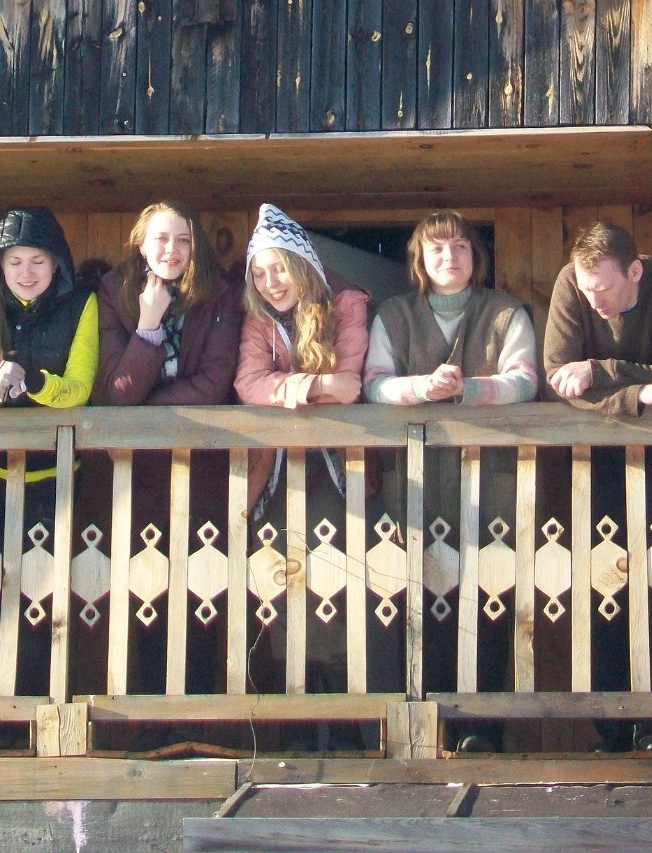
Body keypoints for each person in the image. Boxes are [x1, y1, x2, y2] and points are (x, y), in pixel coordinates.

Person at [364, 209, 538, 752]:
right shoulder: (394, 314)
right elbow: (374, 385)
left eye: (460, 246)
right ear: (420, 258)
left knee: (489, 597)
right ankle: (424, 732)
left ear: (475, 256)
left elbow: (526, 381)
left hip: (489, 480)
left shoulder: (506, 312)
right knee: (415, 595)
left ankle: (481, 731)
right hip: (414, 481)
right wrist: (423, 388)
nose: (449, 256)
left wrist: (470, 390)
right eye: (437, 248)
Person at [543, 220, 652, 752]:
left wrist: (599, 371)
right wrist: (639, 393)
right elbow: (559, 375)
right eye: (587, 289)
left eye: (605, 289)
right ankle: (609, 729)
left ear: (634, 271)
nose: (595, 301)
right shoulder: (572, 283)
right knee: (601, 582)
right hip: (592, 460)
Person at [0, 208, 97, 744]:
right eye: (15, 261)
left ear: (56, 264)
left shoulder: (81, 304)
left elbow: (80, 387)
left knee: (44, 603)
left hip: (54, 478)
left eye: (38, 261)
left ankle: (37, 723)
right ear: (0, 264)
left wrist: (35, 381)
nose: (27, 272)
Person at [94, 200, 244, 696]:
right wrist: (149, 323)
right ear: (141, 242)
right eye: (161, 238)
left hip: (203, 467)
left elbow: (214, 385)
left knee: (202, 589)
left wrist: (143, 404)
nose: (172, 250)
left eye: (183, 240)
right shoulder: (115, 291)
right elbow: (116, 392)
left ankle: (194, 715)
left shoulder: (219, 294)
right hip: (139, 473)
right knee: (147, 588)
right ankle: (150, 717)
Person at [233, 205, 369, 743]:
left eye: (279, 268)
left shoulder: (346, 304)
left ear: (302, 264)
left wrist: (290, 388)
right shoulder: (258, 319)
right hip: (275, 470)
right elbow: (248, 383)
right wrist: (314, 386)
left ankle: (342, 723)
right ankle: (297, 720)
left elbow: (350, 385)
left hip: (333, 469)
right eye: (259, 273)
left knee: (334, 588)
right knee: (279, 585)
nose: (270, 283)